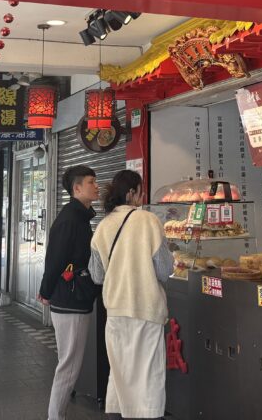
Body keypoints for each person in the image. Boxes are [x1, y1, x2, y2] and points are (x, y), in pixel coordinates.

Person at [89, 171, 173, 420]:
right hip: (146, 309)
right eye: (140, 191)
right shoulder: (149, 221)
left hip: (115, 311)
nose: (142, 196)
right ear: (131, 193)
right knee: (149, 377)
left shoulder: (103, 226)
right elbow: (164, 270)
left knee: (119, 373)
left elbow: (97, 275)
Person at [39, 165, 101, 420]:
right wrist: (45, 291)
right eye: (91, 182)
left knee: (70, 364)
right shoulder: (70, 219)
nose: (96, 186)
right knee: (69, 365)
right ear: (77, 188)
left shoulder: (80, 216)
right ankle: (55, 416)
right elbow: (55, 259)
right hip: (69, 299)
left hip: (74, 297)